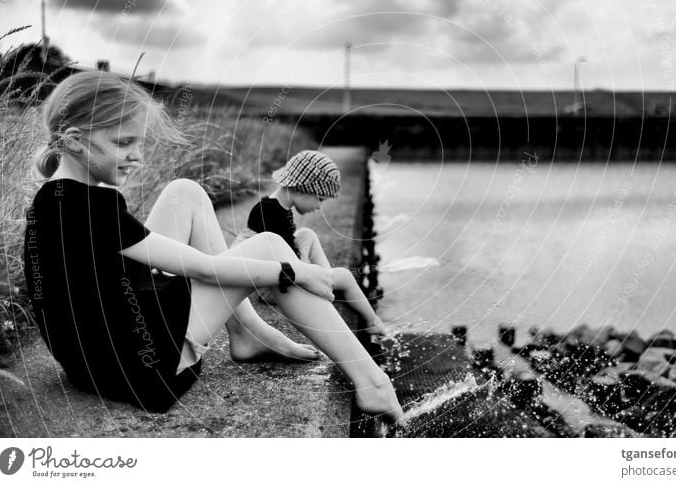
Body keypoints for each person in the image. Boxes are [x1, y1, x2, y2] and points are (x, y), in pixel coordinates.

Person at [23, 70, 402, 422]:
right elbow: (205, 268)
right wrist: (294, 269)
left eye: (138, 142)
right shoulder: (91, 208)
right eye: (123, 143)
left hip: (98, 359)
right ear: (74, 139)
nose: (137, 155)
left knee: (185, 191)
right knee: (269, 246)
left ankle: (247, 332)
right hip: (144, 368)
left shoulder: (54, 198)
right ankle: (372, 382)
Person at [246, 150, 387, 337]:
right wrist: (306, 266)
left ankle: (325, 281)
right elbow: (284, 263)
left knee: (307, 234)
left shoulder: (275, 207)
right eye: (319, 199)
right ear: (299, 188)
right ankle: (371, 321)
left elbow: (286, 250)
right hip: (271, 286)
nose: (319, 206)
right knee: (344, 276)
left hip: (277, 275)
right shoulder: (270, 213)